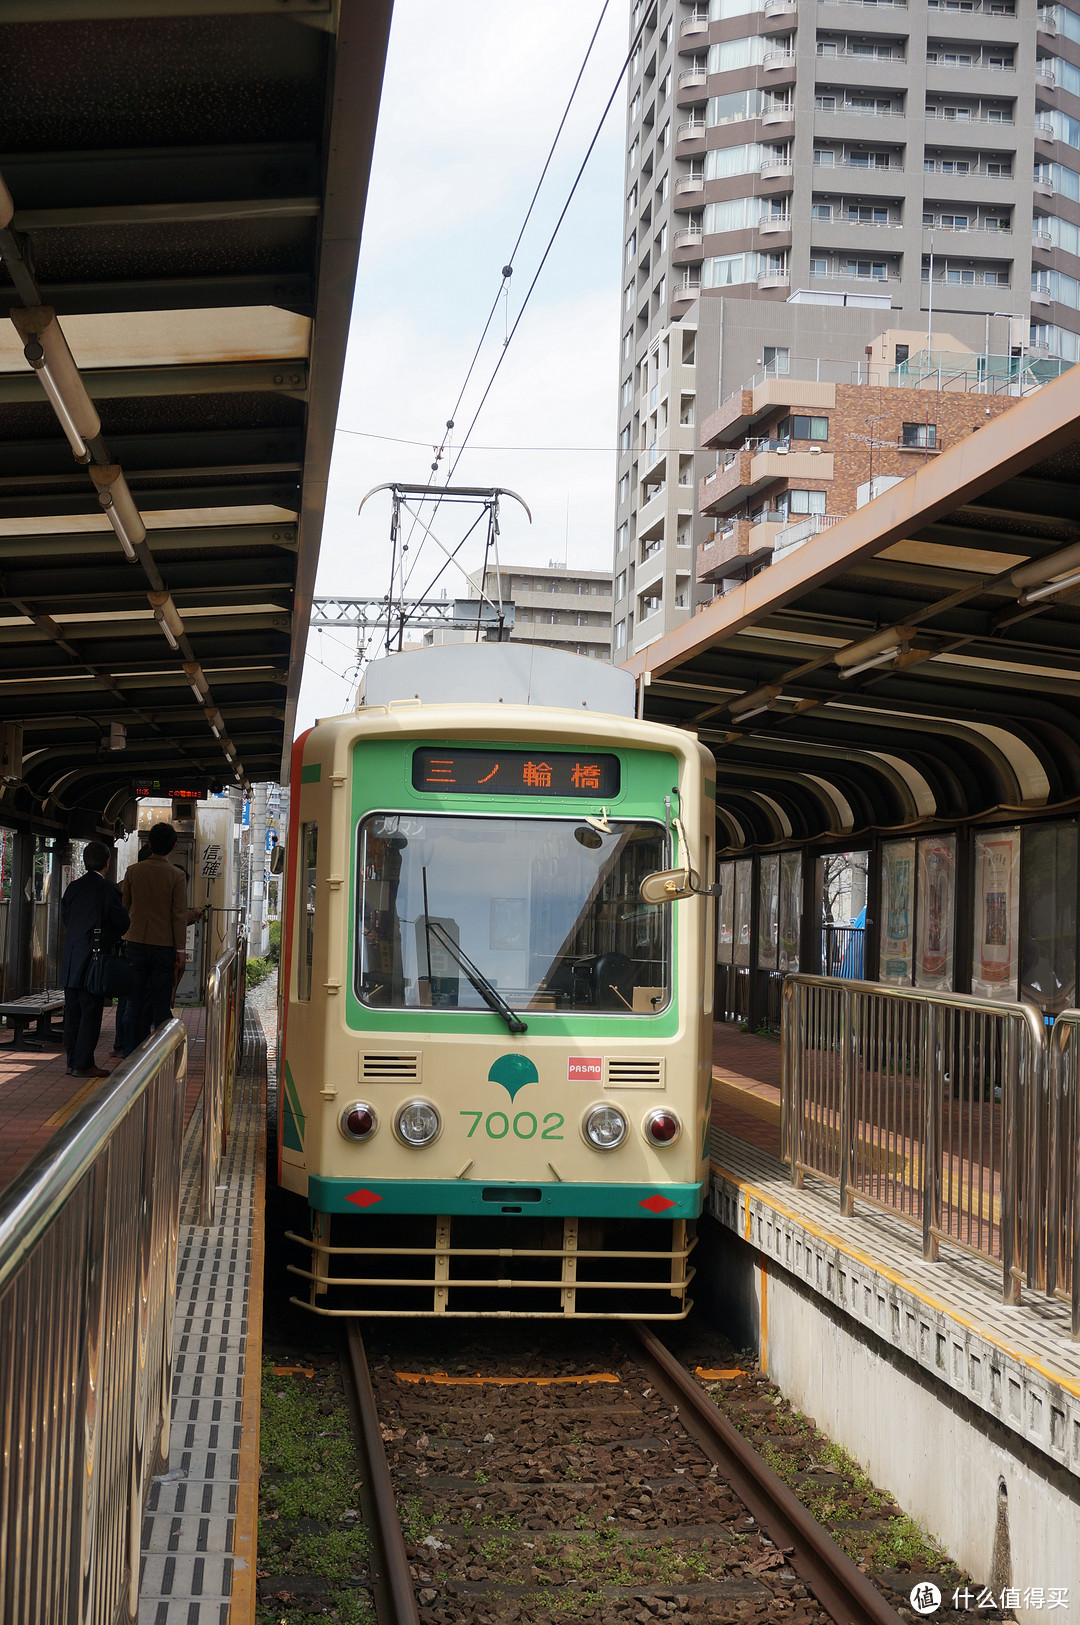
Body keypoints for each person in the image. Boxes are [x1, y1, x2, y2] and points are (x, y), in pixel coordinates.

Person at [60, 840, 130, 1077]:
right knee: (90, 1011)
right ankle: (84, 1063)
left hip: (71, 958)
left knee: (72, 1012)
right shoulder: (108, 889)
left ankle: (71, 1062)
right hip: (94, 959)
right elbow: (122, 922)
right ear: (107, 863)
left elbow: (67, 919)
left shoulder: (73, 887)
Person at [121, 822, 188, 1053]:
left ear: (148, 844)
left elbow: (124, 906)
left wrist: (126, 934)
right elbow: (178, 915)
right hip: (164, 946)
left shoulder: (133, 871)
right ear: (173, 846)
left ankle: (130, 1053)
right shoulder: (177, 876)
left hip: (135, 943)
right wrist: (180, 950)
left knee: (134, 1001)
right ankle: (160, 1053)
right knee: (160, 1003)